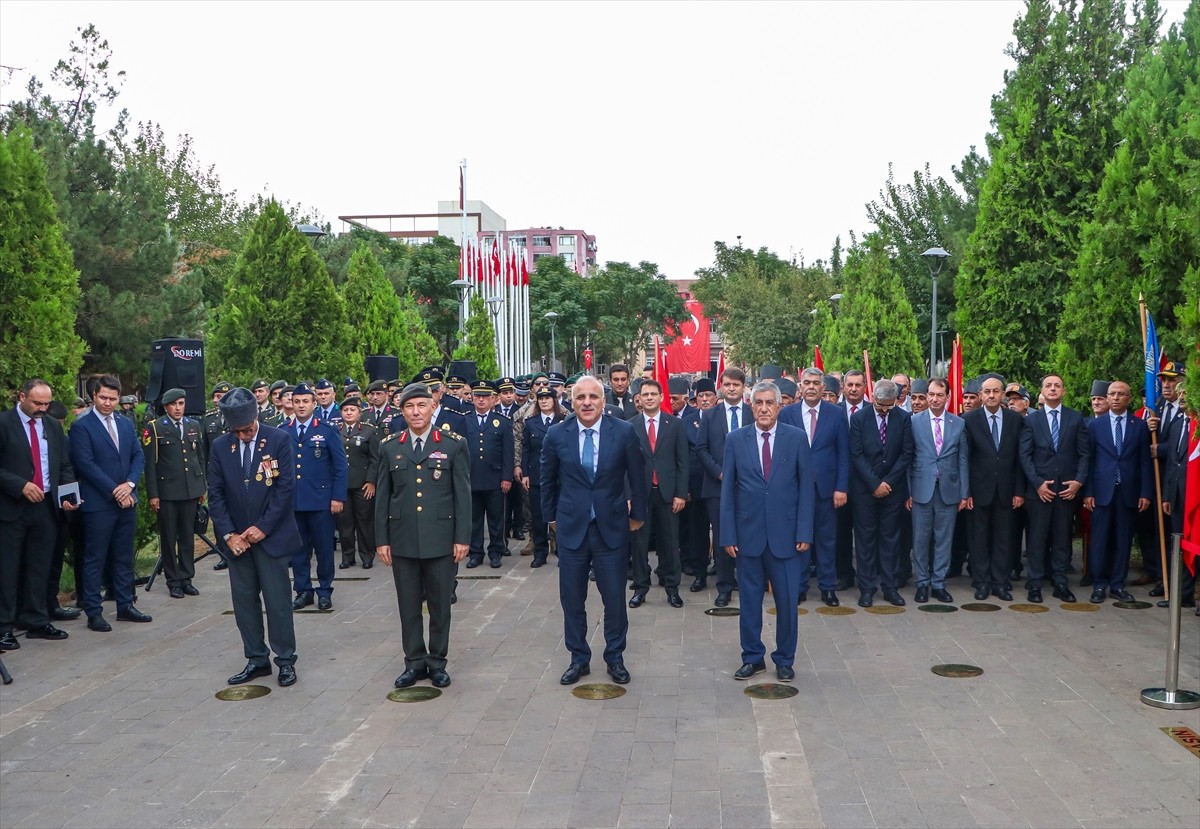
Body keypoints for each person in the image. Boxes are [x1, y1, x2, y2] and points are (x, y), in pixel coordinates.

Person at [542, 375, 646, 686]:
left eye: (593, 397)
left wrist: (638, 515)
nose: (587, 402)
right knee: (572, 598)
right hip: (572, 528)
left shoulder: (624, 432)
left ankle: (615, 657)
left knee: (614, 597)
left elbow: (638, 477)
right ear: (571, 402)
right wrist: (551, 519)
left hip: (611, 528)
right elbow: (547, 480)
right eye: (580, 397)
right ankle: (579, 658)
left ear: (603, 401)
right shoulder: (557, 434)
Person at [376, 383, 471, 689]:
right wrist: (382, 539)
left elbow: (462, 496)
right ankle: (414, 662)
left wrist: (462, 537)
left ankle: (437, 661)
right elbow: (383, 498)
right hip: (402, 538)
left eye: (421, 406)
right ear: (401, 411)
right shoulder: (390, 446)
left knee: (440, 605)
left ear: (433, 408)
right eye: (409, 407)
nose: (415, 412)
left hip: (441, 538)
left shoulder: (454, 444)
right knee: (408, 605)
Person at [720, 381, 814, 683]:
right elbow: (727, 493)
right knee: (748, 602)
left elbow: (806, 490)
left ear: (778, 406)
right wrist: (728, 535)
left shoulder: (797, 439)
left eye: (768, 403)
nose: (763, 408)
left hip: (786, 537)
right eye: (758, 403)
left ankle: (785, 659)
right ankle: (752, 658)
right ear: (751, 406)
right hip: (748, 537)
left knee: (787, 603)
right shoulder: (735, 440)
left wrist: (804, 531)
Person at [206, 387, 300, 687]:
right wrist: (229, 534)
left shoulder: (279, 439)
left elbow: (285, 488)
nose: (243, 436)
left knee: (278, 603)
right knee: (245, 602)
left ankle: (285, 660)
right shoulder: (221, 446)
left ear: (256, 417)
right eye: (237, 432)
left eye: (247, 430)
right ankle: (256, 658)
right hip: (238, 543)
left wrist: (263, 527)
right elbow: (216, 494)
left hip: (270, 538)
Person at [0, 379, 79, 650]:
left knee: (40, 565)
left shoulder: (52, 427)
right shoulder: (3, 424)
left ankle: (35, 619)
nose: (42, 409)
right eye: (37, 403)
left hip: (46, 506)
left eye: (46, 404)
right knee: (8, 569)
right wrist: (19, 485)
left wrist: (68, 496)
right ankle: (4, 626)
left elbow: (64, 464)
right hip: (12, 507)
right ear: (21, 396)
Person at [68, 374, 150, 632]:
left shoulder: (125, 424)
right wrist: (115, 490)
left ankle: (125, 604)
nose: (108, 403)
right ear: (94, 396)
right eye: (103, 397)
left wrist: (130, 485)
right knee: (96, 558)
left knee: (123, 556)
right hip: (98, 503)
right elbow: (85, 464)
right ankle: (93, 611)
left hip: (126, 501)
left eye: (113, 399)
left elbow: (138, 455)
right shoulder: (82, 426)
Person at [780, 367, 849, 607]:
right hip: (795, 490)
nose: (811, 386)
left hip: (826, 490)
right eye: (806, 382)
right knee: (798, 539)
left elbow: (843, 454)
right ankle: (799, 587)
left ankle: (828, 587)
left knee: (826, 540)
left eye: (815, 383)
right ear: (800, 387)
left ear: (823, 388)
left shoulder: (836, 414)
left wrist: (841, 487)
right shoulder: (787, 414)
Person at [1019, 373, 1089, 604]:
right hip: (1040, 492)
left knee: (1062, 539)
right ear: (1041, 391)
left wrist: (1078, 482)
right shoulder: (1031, 420)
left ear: (1063, 391)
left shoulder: (1076, 418)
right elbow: (1025, 455)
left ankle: (1060, 583)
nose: (1052, 389)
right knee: (1037, 540)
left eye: (1057, 386)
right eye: (1048, 385)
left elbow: (1084, 454)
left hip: (1067, 491)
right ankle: (1035, 584)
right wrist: (1037, 483)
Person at [1083, 380, 1153, 603]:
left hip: (1129, 492)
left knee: (1123, 540)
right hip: (1102, 492)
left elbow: (1144, 463)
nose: (1115, 397)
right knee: (1100, 540)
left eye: (1120, 394)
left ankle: (1118, 584)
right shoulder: (1095, 425)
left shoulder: (1139, 426)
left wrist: (1145, 493)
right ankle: (1099, 584)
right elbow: (1089, 462)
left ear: (1128, 399)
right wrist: (1088, 492)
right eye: (1111, 394)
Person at [848, 379, 913, 607]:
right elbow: (856, 455)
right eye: (880, 405)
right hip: (865, 491)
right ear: (873, 397)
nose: (884, 410)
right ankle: (866, 588)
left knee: (890, 540)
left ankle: (890, 587)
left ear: (896, 401)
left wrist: (888, 483)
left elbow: (906, 454)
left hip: (893, 491)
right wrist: (874, 484)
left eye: (889, 406)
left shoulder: (904, 418)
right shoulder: (859, 418)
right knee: (865, 541)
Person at [284, 382, 347, 611]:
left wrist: (338, 497)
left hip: (321, 502)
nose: (301, 406)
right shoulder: (284, 430)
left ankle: (324, 590)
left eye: (305, 401)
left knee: (323, 549)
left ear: (314, 403)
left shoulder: (327, 430)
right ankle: (303, 591)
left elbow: (340, 467)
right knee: (298, 551)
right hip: (294, 502)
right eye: (297, 401)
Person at [963, 376, 1026, 602]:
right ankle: (981, 582)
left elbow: (1021, 459)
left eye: (996, 391)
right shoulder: (969, 420)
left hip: (1007, 491)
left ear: (1002, 394)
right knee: (978, 539)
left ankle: (999, 583)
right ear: (981, 395)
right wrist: (966, 491)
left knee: (1004, 538)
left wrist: (1019, 491)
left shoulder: (1015, 420)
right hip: (978, 491)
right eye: (987, 392)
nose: (991, 395)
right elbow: (965, 459)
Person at [907, 378, 968, 604]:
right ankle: (922, 583)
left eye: (939, 395)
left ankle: (939, 583)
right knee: (921, 540)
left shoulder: (958, 423)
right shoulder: (914, 422)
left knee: (944, 539)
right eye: (930, 394)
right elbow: (908, 458)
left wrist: (964, 492)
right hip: (921, 489)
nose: (933, 399)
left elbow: (963, 460)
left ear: (947, 397)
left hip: (949, 490)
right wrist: (908, 492)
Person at [629, 379, 688, 609]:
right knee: (639, 544)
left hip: (668, 494)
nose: (650, 397)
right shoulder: (630, 425)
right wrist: (628, 495)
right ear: (640, 399)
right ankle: (640, 589)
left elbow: (683, 462)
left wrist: (681, 494)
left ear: (661, 397)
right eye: (646, 394)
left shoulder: (674, 425)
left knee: (670, 543)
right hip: (640, 495)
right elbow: (626, 464)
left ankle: (672, 589)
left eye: (654, 393)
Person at [142, 387, 206, 599]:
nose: (178, 408)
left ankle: (187, 577)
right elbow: (150, 465)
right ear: (166, 407)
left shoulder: (193, 425)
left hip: (190, 489)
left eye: (181, 404)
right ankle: (173, 580)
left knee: (188, 536)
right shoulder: (155, 427)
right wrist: (153, 494)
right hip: (167, 491)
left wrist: (201, 486)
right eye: (173, 405)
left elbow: (200, 457)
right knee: (169, 538)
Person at [697, 368, 752, 607]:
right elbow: (701, 449)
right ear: (722, 385)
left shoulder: (753, 413)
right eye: (727, 384)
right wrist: (720, 472)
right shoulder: (710, 416)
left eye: (736, 385)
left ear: (743, 387)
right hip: (717, 486)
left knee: (748, 535)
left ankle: (748, 581)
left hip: (749, 487)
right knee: (722, 536)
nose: (731, 388)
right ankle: (725, 586)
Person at [463, 380, 514, 569]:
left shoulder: (502, 421)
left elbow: (508, 452)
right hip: (472, 478)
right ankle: (476, 553)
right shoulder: (465, 420)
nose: (481, 400)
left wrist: (507, 477)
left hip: (495, 479)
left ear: (493, 399)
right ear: (473, 398)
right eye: (478, 396)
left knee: (496, 519)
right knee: (474, 520)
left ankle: (496, 552)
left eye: (485, 396)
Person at [520, 387, 567, 567]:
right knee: (539, 517)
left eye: (548, 398)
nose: (544, 401)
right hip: (537, 475)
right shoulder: (531, 423)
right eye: (541, 398)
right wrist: (525, 473)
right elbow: (525, 449)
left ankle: (562, 551)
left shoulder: (563, 421)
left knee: (560, 514)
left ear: (555, 400)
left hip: (559, 477)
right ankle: (540, 553)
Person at [336, 397, 380, 569]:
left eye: (352, 410)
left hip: (363, 484)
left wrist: (371, 481)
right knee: (345, 523)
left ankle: (367, 555)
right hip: (342, 485)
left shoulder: (369, 431)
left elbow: (375, 459)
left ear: (360, 413)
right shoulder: (336, 431)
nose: (348, 413)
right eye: (345, 410)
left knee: (365, 522)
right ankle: (348, 557)